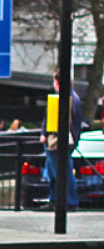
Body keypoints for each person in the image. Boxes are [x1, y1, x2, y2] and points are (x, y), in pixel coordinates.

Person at [41, 75, 83, 210]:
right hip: (65, 140)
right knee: (57, 172)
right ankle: (56, 200)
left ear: (57, 82)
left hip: (58, 141)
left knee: (61, 172)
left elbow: (52, 120)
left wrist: (45, 134)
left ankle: (68, 201)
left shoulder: (63, 98)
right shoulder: (74, 98)